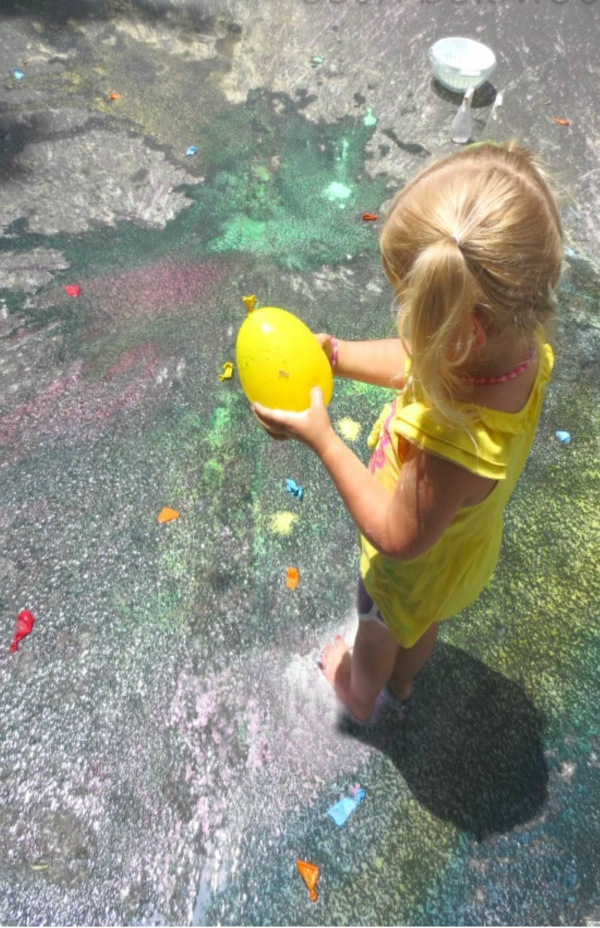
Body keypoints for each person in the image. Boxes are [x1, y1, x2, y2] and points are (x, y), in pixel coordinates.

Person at [252, 142, 563, 723]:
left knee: (379, 626)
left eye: (416, 310)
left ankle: (360, 691)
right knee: (422, 623)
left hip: (409, 569)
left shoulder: (451, 440)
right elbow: (416, 357)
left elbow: (397, 536)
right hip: (458, 557)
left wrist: (323, 438)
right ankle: (405, 682)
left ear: (460, 338)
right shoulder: (518, 355)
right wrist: (339, 355)